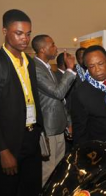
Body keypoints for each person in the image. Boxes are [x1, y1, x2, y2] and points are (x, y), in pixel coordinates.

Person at [0, 9, 43, 195]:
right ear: (5, 31)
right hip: (8, 142)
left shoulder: (29, 61)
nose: (25, 39)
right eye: (19, 33)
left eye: (28, 34)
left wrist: (39, 132)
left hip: (31, 138)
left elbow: (32, 98)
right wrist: (2, 151)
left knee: (32, 189)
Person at [32, 34, 76, 186]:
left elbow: (59, 100)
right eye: (53, 45)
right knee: (48, 172)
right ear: (43, 49)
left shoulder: (47, 67)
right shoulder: (36, 68)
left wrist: (67, 122)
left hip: (58, 124)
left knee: (58, 170)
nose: (56, 48)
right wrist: (70, 70)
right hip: (48, 128)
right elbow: (58, 93)